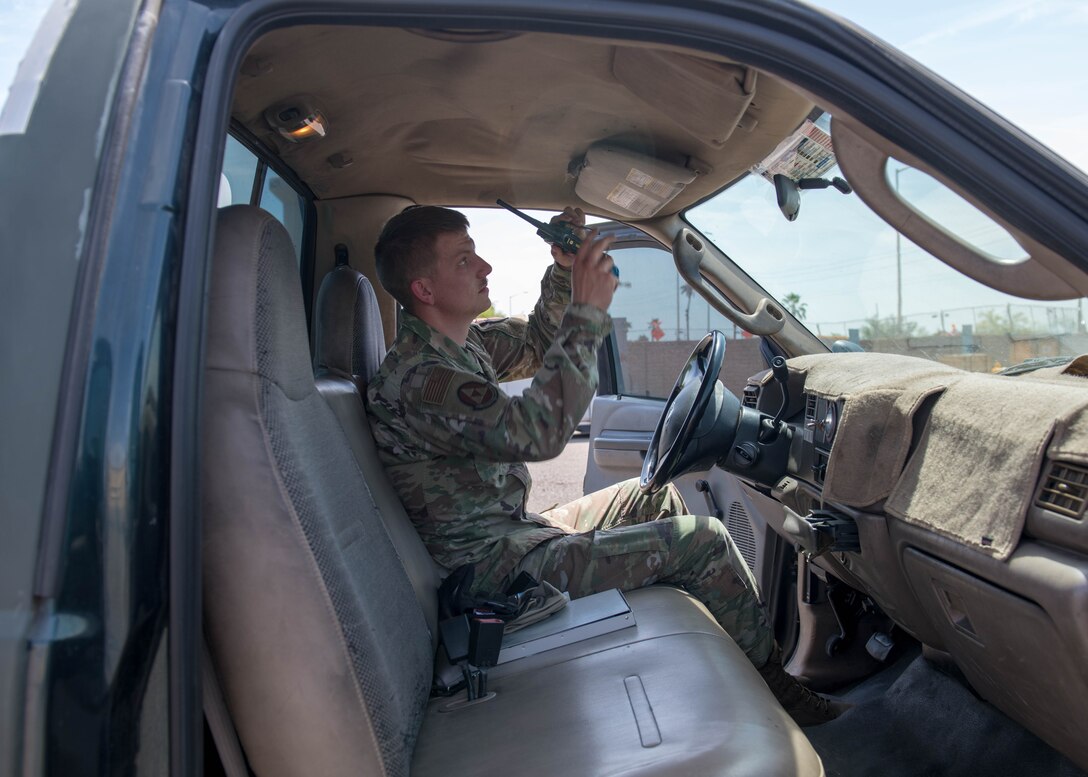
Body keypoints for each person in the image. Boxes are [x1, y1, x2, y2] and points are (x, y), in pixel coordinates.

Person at [365, 204, 845, 725]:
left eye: (477, 253)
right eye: (463, 260)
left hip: (519, 533)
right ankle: (778, 692)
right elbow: (539, 432)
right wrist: (587, 311)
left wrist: (563, 273)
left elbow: (535, 347)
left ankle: (704, 650)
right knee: (701, 540)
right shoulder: (420, 381)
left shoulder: (466, 344)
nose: (485, 268)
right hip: (494, 571)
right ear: (424, 291)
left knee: (652, 494)